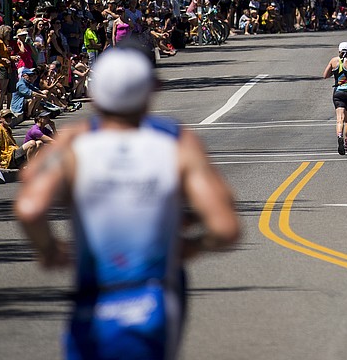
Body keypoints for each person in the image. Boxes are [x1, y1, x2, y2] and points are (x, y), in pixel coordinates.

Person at [15, 46, 240, 360]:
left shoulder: (77, 141)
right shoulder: (176, 141)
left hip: (92, 303)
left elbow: (30, 205)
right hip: (153, 299)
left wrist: (49, 249)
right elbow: (225, 226)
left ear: (96, 94)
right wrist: (194, 245)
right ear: (150, 91)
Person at [322, 41, 347, 155]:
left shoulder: (333, 61)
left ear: (339, 51)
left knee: (340, 119)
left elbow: (325, 75)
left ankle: (339, 136)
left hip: (338, 92)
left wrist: (335, 70)